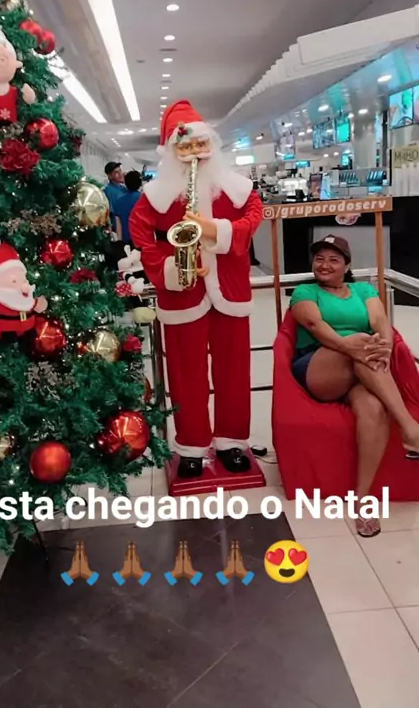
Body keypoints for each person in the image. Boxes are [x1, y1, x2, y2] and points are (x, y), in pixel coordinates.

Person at [129, 99, 263, 479]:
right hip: (182, 292)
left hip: (229, 291)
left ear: (211, 145)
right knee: (186, 374)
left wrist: (215, 230)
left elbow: (255, 216)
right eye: (185, 147)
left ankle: (232, 441)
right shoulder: (157, 194)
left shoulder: (236, 187)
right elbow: (140, 231)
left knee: (234, 370)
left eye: (200, 145)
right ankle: (191, 445)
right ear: (172, 151)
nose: (195, 154)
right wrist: (171, 267)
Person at [290, 234, 419, 537]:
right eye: (319, 259)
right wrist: (350, 346)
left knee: (374, 408)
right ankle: (412, 431)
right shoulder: (305, 291)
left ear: (347, 266)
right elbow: (315, 326)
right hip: (319, 366)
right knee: (360, 344)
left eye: (333, 260)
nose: (324, 265)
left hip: (363, 367)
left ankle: (362, 501)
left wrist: (385, 347)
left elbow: (381, 322)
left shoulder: (363, 290)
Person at [115, 170, 142, 244]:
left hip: (127, 242)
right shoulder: (144, 199)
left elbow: (119, 226)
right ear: (140, 183)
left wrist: (119, 243)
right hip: (142, 240)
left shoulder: (119, 202)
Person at [104, 162, 126, 231]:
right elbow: (108, 214)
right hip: (118, 229)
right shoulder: (109, 191)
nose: (120, 174)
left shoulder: (123, 188)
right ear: (110, 176)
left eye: (120, 171)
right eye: (116, 172)